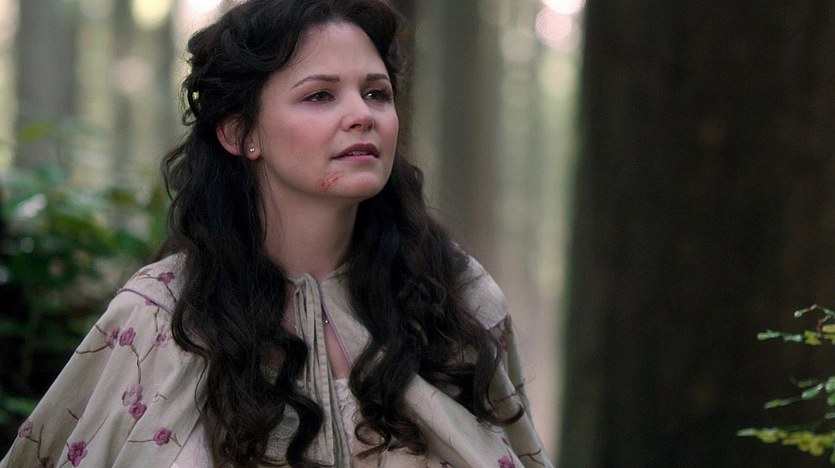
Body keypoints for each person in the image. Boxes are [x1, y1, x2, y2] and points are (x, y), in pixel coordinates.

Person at [0, 0, 552, 466]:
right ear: (240, 133)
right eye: (320, 95)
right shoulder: (160, 318)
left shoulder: (455, 298)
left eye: (376, 93)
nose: (362, 115)